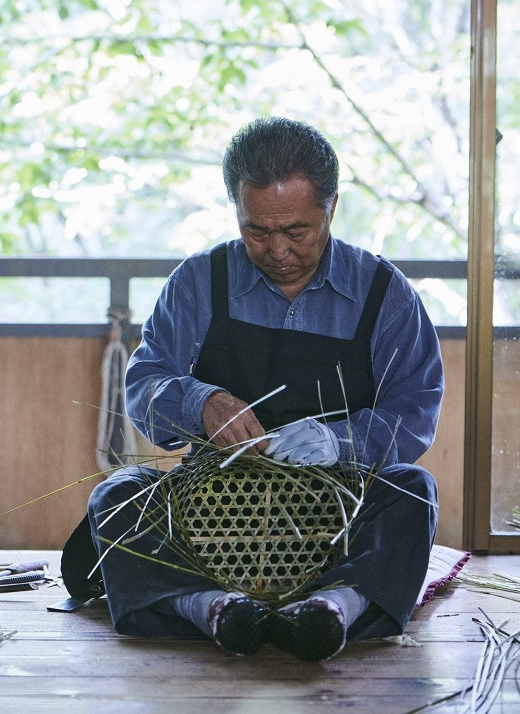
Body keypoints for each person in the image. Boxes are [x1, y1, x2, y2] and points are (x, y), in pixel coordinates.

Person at [63, 116, 443, 662]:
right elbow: (144, 385)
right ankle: (214, 607)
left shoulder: (385, 294)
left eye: (296, 232)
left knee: (412, 491)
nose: (277, 250)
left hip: (336, 516)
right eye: (257, 231)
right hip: (212, 514)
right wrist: (200, 402)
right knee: (118, 496)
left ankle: (331, 608)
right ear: (236, 210)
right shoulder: (199, 281)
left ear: (331, 208)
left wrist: (340, 441)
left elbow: (416, 410)